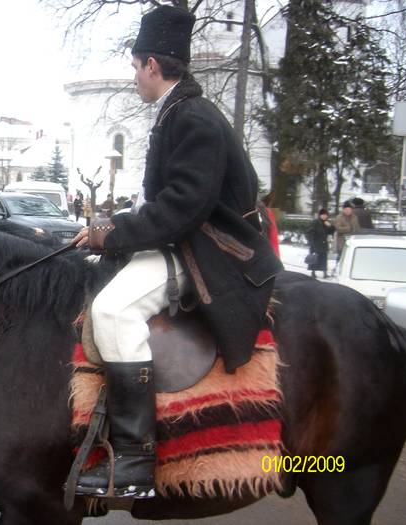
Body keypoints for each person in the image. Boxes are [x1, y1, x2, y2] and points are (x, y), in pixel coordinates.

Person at [71, 5, 282, 499]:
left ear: (151, 65)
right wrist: (109, 232)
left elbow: (182, 209)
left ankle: (136, 462)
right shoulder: (176, 112)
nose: (133, 76)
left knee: (113, 309)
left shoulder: (194, 119)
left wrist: (112, 233)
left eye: (134, 65)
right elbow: (168, 207)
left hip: (213, 255)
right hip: (187, 243)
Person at [306, 209, 334, 278]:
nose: (324, 216)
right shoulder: (315, 222)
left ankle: (325, 273)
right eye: (323, 215)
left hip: (324, 244)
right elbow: (309, 233)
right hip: (316, 244)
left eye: (326, 215)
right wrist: (311, 242)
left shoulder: (326, 223)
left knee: (324, 259)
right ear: (320, 215)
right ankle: (313, 272)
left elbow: (331, 231)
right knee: (315, 259)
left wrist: (330, 226)